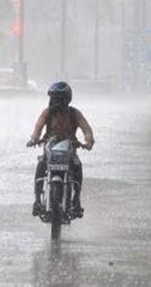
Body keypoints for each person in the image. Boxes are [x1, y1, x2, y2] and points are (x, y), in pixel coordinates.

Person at [26, 81, 95, 219]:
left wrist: (88, 141)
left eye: (57, 99)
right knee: (41, 166)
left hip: (69, 149)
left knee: (77, 167)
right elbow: (38, 127)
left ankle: (76, 200)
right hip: (50, 149)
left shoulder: (75, 114)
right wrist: (34, 139)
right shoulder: (47, 113)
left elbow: (87, 129)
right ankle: (37, 200)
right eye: (52, 98)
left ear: (66, 99)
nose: (54, 102)